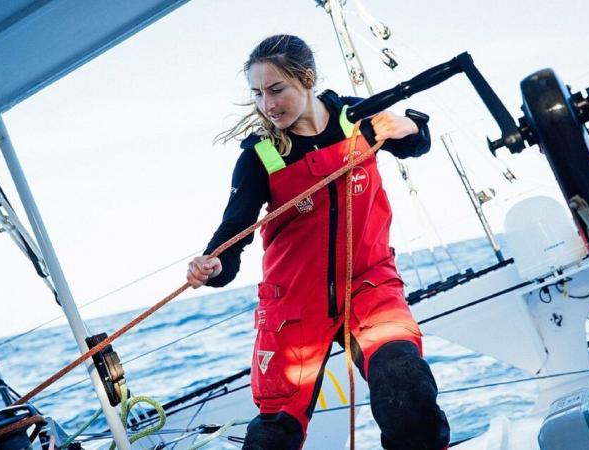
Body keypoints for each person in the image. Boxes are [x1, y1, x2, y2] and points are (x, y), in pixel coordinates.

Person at [186, 35, 450, 450]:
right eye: (257, 94)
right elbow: (233, 232)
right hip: (293, 306)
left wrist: (410, 125)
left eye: (276, 90)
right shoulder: (260, 156)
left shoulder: (355, 117)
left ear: (306, 79)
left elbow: (415, 143)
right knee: (273, 433)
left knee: (404, 384)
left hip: (370, 285)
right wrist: (214, 264)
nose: (267, 105)